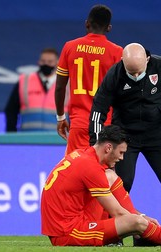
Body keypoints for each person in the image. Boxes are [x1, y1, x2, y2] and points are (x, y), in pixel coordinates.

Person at [41, 124, 161, 248]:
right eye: (121, 152)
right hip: (67, 232)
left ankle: (141, 235)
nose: (122, 158)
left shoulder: (84, 156)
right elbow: (118, 214)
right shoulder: (90, 167)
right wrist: (142, 221)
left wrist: (141, 217)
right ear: (108, 148)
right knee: (136, 223)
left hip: (71, 220)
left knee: (110, 177)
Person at [89, 43, 161, 244]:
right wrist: (95, 144)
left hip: (156, 134)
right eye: (131, 72)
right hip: (125, 138)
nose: (136, 76)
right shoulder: (115, 75)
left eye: (139, 72)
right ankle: (114, 236)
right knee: (122, 184)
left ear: (147, 60)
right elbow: (98, 108)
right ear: (123, 62)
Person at [55, 4, 123, 155]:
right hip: (105, 125)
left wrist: (60, 117)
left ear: (87, 23)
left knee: (74, 172)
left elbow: (60, 87)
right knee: (102, 174)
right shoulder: (117, 52)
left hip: (78, 123)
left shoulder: (70, 47)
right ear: (109, 28)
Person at [4, 47, 63, 132]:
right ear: (38, 62)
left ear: (57, 63)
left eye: (50, 62)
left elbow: (75, 112)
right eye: (43, 61)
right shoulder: (25, 81)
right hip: (28, 139)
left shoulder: (67, 84)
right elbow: (11, 110)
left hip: (57, 140)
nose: (46, 64)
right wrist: (11, 134)